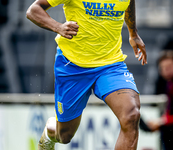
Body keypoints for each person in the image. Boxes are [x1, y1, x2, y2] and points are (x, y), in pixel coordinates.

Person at [26, 0, 147, 149]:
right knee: (64, 136)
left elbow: (129, 1)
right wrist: (58, 27)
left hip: (110, 65)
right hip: (72, 66)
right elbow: (33, 10)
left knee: (131, 115)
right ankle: (50, 131)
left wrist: (133, 33)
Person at [147, 50, 173, 150]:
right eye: (163, 68)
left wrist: (163, 121)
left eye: (169, 67)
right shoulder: (168, 84)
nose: (166, 70)